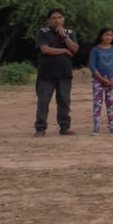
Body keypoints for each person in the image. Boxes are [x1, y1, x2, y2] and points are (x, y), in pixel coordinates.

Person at [34, 8, 79, 137]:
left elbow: (75, 49)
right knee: (43, 101)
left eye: (59, 17)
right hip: (46, 73)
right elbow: (45, 49)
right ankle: (40, 128)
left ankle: (64, 127)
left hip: (64, 73)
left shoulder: (70, 32)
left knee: (64, 101)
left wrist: (64, 36)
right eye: (54, 18)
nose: (57, 20)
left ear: (63, 19)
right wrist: (64, 51)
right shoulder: (43, 32)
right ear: (49, 20)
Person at [90, 27, 113, 134]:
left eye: (111, 35)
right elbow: (93, 67)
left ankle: (112, 126)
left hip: (111, 80)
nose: (109, 37)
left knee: (111, 103)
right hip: (98, 80)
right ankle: (96, 127)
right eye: (106, 35)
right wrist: (102, 79)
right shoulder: (95, 50)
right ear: (101, 36)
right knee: (97, 103)